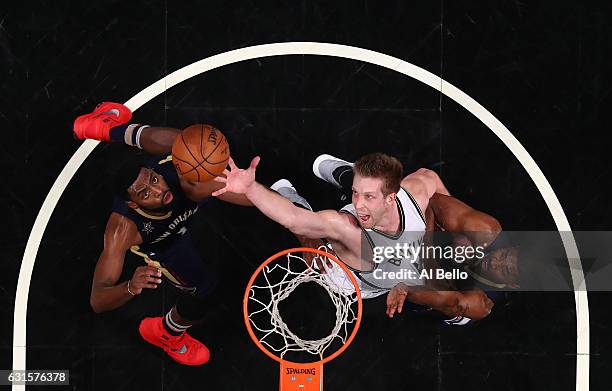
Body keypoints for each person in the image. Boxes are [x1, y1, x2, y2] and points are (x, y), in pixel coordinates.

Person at [212, 152, 495, 321]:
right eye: (356, 194)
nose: (358, 204)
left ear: (391, 197)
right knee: (308, 235)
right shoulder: (349, 229)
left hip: (406, 260)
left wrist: (438, 237)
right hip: (352, 275)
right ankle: (291, 193)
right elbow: (293, 219)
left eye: (368, 196)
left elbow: (428, 176)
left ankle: (344, 171)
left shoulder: (414, 195)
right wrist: (250, 189)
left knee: (483, 235)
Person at [73, 102, 251, 365]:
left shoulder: (174, 168)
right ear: (133, 204)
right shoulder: (123, 228)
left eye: (153, 181)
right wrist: (130, 287)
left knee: (193, 146)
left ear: (153, 171)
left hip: (188, 216)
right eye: (145, 194)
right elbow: (97, 299)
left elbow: (166, 142)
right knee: (206, 293)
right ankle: (167, 333)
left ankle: (107, 128)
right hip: (166, 245)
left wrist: (293, 215)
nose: (157, 191)